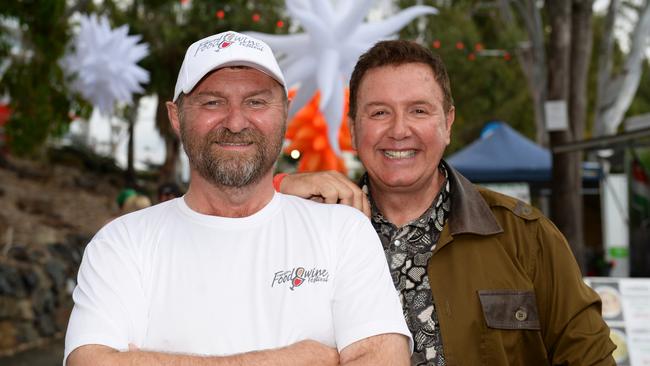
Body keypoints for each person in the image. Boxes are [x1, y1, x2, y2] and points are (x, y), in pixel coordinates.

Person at [64, 31, 411, 366]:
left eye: (256, 101)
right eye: (212, 102)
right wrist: (296, 359)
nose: (235, 121)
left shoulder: (342, 231)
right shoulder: (121, 244)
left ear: (285, 113)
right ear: (175, 117)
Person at [279, 40, 616, 365]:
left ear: (447, 123)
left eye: (419, 110)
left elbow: (590, 358)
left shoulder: (525, 238)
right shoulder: (309, 234)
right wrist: (277, 186)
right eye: (380, 112)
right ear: (353, 128)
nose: (399, 130)